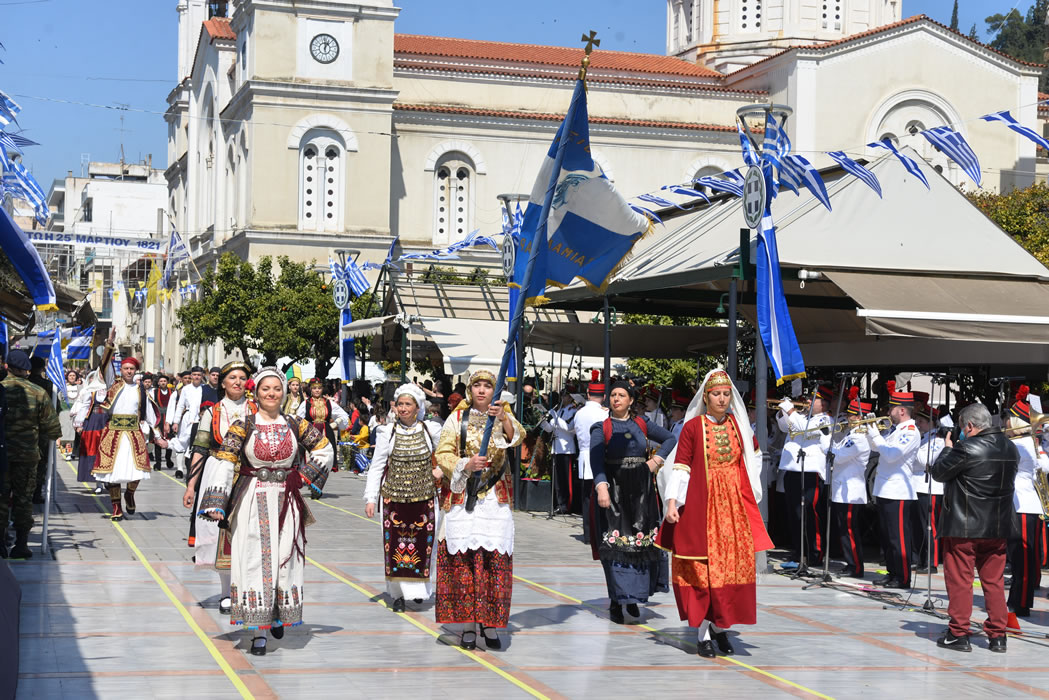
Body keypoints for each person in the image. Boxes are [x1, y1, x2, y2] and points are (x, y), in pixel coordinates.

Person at [198, 367, 333, 656]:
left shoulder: (296, 423)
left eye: (276, 389)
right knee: (255, 561)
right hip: (252, 500)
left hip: (286, 500)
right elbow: (225, 459)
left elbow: (324, 449)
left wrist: (303, 476)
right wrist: (217, 503)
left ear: (283, 392)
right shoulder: (243, 425)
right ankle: (258, 631)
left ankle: (278, 614)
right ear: (255, 393)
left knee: (285, 560)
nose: (271, 394)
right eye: (265, 389)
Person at [656, 369, 773, 657]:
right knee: (704, 570)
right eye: (716, 394)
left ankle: (720, 628)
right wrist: (672, 503)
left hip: (733, 507)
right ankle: (703, 634)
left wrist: (747, 487)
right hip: (702, 505)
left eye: (725, 394)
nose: (721, 399)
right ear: (706, 397)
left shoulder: (739, 427)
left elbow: (754, 456)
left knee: (730, 568)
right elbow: (681, 467)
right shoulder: (693, 427)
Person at [434, 369, 523, 651]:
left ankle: (490, 623)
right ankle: (469, 624)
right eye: (478, 386)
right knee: (465, 560)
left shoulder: (503, 416)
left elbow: (518, 437)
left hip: (495, 500)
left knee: (493, 560)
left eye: (488, 386)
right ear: (470, 390)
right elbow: (443, 453)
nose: (482, 391)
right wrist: (465, 465)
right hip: (464, 498)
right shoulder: (456, 418)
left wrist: (504, 418)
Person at [930, 402, 1018, 653]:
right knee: (994, 582)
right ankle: (998, 635)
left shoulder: (965, 448)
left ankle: (958, 633)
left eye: (962, 427)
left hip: (964, 526)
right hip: (997, 526)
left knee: (960, 581)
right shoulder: (1011, 447)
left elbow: (938, 472)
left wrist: (948, 449)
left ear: (969, 426)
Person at [590, 381, 676, 625]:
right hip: (614, 492)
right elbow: (596, 461)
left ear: (630, 400)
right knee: (616, 545)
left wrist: (655, 461)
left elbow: (670, 438)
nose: (616, 398)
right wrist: (602, 487)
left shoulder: (641, 423)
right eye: (613, 395)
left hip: (641, 493)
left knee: (640, 544)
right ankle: (617, 600)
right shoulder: (601, 428)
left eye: (622, 395)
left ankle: (633, 598)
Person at [183, 361, 257, 615]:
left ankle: (247, 587)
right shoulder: (212, 412)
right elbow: (200, 450)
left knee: (250, 531)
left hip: (249, 474)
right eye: (232, 377)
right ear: (222, 382)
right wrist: (191, 486)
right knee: (220, 532)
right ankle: (227, 592)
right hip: (217, 474)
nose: (237, 381)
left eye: (242, 377)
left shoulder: (257, 410)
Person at [363, 383, 443, 611]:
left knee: (422, 546)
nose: (403, 408)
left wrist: (442, 470)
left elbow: (448, 454)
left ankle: (419, 590)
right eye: (400, 404)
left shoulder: (431, 430)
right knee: (395, 547)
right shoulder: (386, 432)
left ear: (418, 407)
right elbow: (377, 467)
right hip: (393, 500)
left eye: (408, 404)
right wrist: (371, 498)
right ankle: (397, 594)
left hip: (425, 498)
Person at [0, 350, 61, 558]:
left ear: (7, 366)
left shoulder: (1, 389)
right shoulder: (38, 392)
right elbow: (52, 428)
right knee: (23, 498)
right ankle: (21, 544)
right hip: (26, 455)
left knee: (1, 497)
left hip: (2, 454)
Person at [92, 354, 166, 521]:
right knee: (113, 472)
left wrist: (159, 436)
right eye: (126, 368)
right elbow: (104, 366)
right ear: (121, 370)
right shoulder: (113, 384)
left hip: (133, 433)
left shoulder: (141, 391)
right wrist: (109, 344)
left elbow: (150, 416)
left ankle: (130, 494)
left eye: (132, 369)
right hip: (113, 433)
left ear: (136, 371)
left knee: (137, 469)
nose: (129, 371)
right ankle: (116, 508)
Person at [864, 386, 920, 589]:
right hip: (885, 489)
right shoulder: (895, 430)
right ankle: (891, 572)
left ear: (902, 410)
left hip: (898, 492)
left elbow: (891, 454)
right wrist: (871, 432)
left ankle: (902, 577)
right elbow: (875, 448)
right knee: (887, 537)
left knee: (899, 538)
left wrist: (875, 435)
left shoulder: (911, 432)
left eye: (892, 409)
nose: (889, 412)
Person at [775, 386, 833, 566]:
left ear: (823, 404)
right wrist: (784, 412)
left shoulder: (825, 419)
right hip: (793, 469)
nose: (807, 401)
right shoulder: (802, 417)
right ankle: (799, 552)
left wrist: (791, 410)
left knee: (810, 515)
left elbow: (803, 428)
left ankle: (815, 554)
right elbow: (785, 426)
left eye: (812, 399)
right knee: (794, 515)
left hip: (810, 472)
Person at [1002, 395, 1047, 619]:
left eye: (1009, 419)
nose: (1005, 423)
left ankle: (1020, 603)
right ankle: (1018, 600)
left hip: (1023, 506)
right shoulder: (1027, 443)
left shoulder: (1019, 444)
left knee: (1023, 560)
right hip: (1024, 506)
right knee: (1022, 560)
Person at [829, 394, 873, 578]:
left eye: (853, 415)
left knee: (849, 530)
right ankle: (851, 563)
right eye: (849, 415)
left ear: (861, 417)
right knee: (844, 530)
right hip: (842, 488)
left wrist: (827, 443)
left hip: (851, 490)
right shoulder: (852, 434)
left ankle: (856, 566)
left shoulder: (859, 437)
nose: (849, 418)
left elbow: (838, 457)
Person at [911, 399, 945, 574]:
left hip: (930, 487)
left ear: (932, 423)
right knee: (917, 527)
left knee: (930, 527)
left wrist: (912, 446)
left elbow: (926, 461)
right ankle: (920, 559)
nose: (918, 424)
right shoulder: (923, 438)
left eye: (922, 421)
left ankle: (932, 562)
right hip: (916, 486)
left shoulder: (937, 441)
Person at [574, 376, 608, 542]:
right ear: (604, 396)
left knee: (587, 498)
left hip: (584, 456)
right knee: (601, 495)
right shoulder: (604, 414)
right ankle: (600, 532)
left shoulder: (579, 413)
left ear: (588, 394)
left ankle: (588, 533)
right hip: (600, 456)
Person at [297, 378, 349, 472]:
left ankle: (321, 474)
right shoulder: (305, 403)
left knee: (325, 454)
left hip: (326, 432)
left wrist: (336, 423)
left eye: (319, 388)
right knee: (311, 454)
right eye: (314, 388)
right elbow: (298, 419)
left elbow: (343, 415)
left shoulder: (328, 402)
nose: (317, 390)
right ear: (311, 389)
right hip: (310, 432)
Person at [72, 369, 109, 494]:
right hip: (94, 423)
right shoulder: (90, 391)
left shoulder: (112, 390)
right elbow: (84, 407)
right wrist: (79, 423)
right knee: (94, 451)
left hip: (108, 422)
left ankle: (108, 480)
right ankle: (98, 482)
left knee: (108, 451)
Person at [541, 390, 578, 515]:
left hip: (567, 449)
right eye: (562, 395)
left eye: (566, 395)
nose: (563, 398)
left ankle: (567, 505)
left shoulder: (574, 411)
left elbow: (569, 428)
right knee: (557, 480)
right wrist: (543, 421)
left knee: (566, 480)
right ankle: (558, 503)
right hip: (556, 449)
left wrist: (555, 416)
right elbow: (550, 428)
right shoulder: (560, 411)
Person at [170, 367, 206, 480]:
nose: (196, 377)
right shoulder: (186, 389)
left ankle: (193, 472)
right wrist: (176, 421)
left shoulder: (204, 389)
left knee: (195, 446)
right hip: (187, 419)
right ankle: (180, 468)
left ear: (202, 376)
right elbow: (180, 406)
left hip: (200, 419)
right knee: (183, 442)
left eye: (199, 375)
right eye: (194, 374)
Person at [27, 355, 54, 505]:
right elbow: (52, 409)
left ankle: (24, 493)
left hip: (23, 431)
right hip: (41, 430)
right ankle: (36, 493)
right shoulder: (47, 386)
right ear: (42, 368)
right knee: (41, 462)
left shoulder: (24, 384)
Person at [151, 374, 175, 471]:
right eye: (161, 381)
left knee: (169, 439)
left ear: (167, 382)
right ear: (158, 383)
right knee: (158, 440)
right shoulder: (154, 392)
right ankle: (158, 462)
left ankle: (168, 459)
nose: (163, 383)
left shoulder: (172, 392)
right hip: (159, 418)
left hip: (169, 418)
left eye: (164, 381)